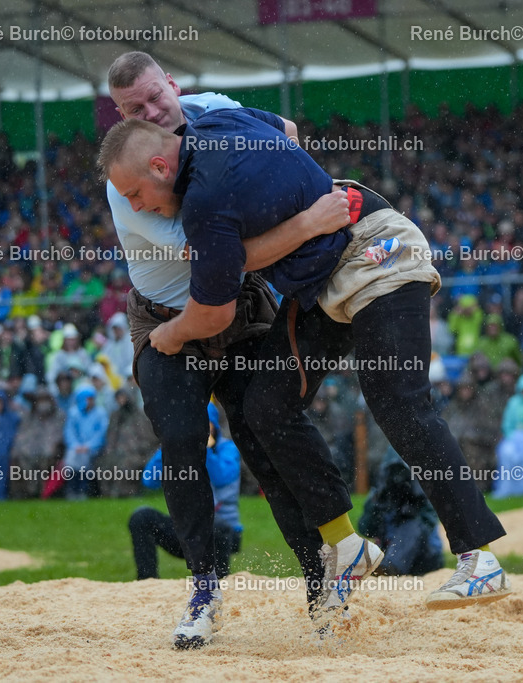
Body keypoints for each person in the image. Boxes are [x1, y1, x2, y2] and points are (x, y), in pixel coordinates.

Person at [99, 104, 510, 611]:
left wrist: (168, 334)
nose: (136, 208)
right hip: (321, 280)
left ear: (161, 166)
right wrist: (305, 217)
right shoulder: (217, 122)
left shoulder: (202, 204)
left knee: (399, 401)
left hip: (376, 249)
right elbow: (288, 131)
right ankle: (346, 545)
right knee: (265, 405)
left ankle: (479, 558)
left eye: (134, 194)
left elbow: (213, 313)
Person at [103, 51, 380, 647]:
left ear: (173, 84)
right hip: (170, 316)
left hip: (241, 305)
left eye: (155, 97)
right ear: (121, 118)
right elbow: (218, 256)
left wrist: (270, 190)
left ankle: (326, 586)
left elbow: (287, 134)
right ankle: (204, 590)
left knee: (266, 433)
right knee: (182, 441)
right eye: (133, 108)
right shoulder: (126, 181)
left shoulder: (214, 110)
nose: (152, 112)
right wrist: (307, 221)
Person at [129, 404, 242, 586]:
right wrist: (168, 446)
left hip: (222, 532)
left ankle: (218, 585)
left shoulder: (227, 449)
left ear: (212, 425)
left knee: (217, 527)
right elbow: (149, 481)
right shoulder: (178, 450)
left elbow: (222, 477)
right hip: (186, 531)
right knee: (141, 517)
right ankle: (147, 584)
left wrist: (204, 447)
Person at [358, 448, 444, 577]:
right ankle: (386, 567)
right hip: (388, 551)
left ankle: (390, 567)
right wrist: (376, 502)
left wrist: (415, 500)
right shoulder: (381, 494)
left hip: (423, 557)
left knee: (412, 525)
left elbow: (429, 524)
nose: (398, 479)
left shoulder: (421, 491)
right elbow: (365, 529)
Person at [62, 386, 108, 500]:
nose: (91, 401)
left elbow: (101, 433)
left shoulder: (100, 413)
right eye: (89, 399)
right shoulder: (74, 413)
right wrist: (75, 445)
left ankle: (82, 489)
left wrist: (89, 445)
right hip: (76, 448)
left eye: (92, 399)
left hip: (94, 448)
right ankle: (73, 489)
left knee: (84, 459)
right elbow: (69, 432)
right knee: (72, 459)